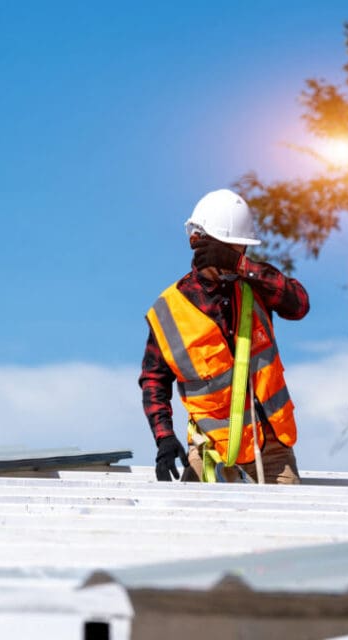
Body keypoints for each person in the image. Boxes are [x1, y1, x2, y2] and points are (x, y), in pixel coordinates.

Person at [139, 189, 310, 484]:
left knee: (285, 524)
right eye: (229, 249)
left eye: (239, 249)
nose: (237, 256)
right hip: (210, 450)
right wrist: (164, 437)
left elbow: (299, 305)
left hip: (270, 449)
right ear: (198, 243)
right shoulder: (168, 312)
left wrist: (242, 267)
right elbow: (154, 380)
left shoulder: (254, 284)